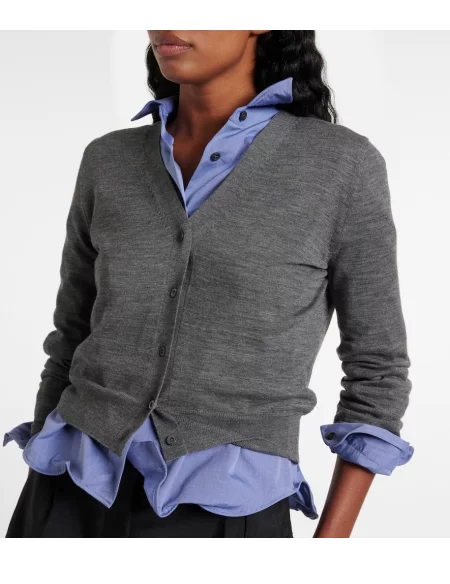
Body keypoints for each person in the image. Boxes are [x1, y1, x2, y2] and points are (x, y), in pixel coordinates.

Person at [4, 30, 414, 538]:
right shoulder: (108, 159)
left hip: (228, 511)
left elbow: (378, 369)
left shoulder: (340, 166)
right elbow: (71, 335)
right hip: (65, 492)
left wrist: (329, 547)